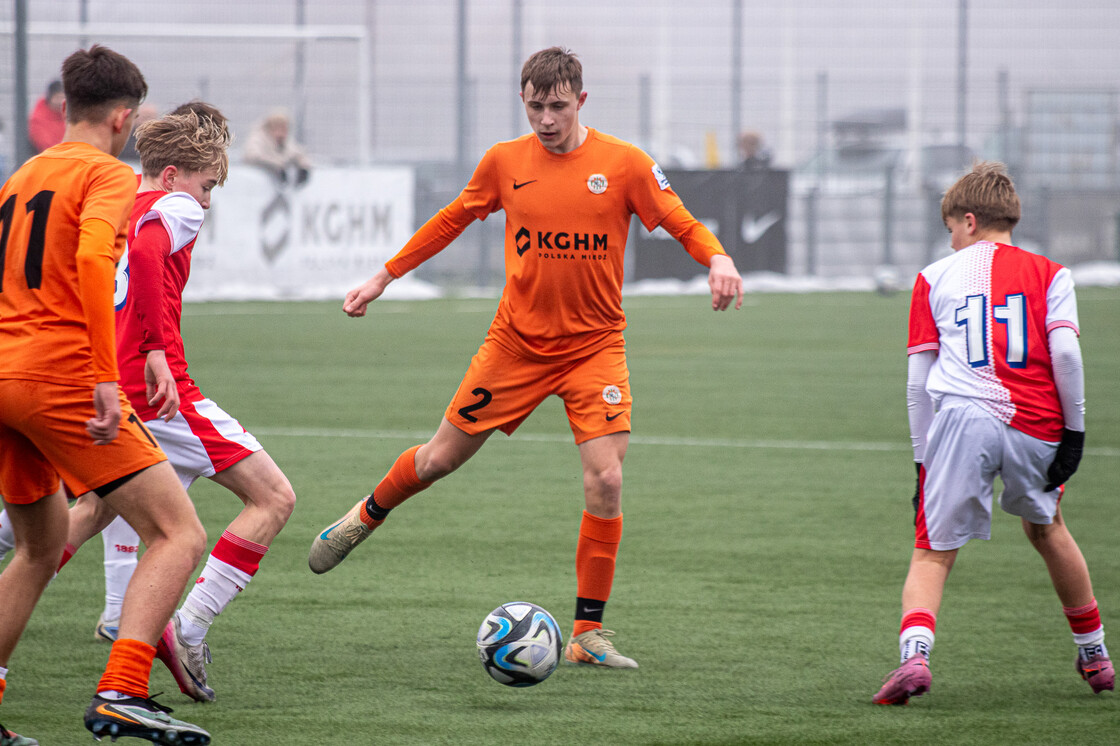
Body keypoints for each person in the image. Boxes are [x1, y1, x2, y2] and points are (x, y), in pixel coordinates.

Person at [309, 46, 744, 669]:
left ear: (581, 102)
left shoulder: (624, 164)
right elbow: (450, 220)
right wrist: (384, 276)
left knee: (608, 478)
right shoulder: (505, 162)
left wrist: (719, 258)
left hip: (595, 348)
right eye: (536, 106)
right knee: (437, 459)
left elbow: (680, 221)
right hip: (514, 347)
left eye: (558, 106)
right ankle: (365, 515)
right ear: (525, 102)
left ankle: (588, 635)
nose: (546, 119)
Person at [52, 102, 297, 704]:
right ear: (173, 175)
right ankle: (188, 628)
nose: (208, 201)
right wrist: (159, 347)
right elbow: (148, 256)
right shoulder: (175, 206)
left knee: (86, 515)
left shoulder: (121, 204)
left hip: (113, 386)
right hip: (164, 396)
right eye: (208, 184)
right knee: (272, 499)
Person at [0, 46, 211, 745]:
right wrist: (102, 376)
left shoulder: (24, 173)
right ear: (124, 118)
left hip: (4, 376)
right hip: (60, 376)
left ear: (67, 107)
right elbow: (96, 258)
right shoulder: (108, 174)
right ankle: (122, 690)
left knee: (39, 546)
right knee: (178, 533)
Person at [873, 161, 1113, 705]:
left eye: (952, 230)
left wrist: (922, 462)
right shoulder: (1052, 273)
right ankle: (1095, 653)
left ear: (971, 221)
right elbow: (1068, 353)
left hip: (962, 419)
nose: (952, 241)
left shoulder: (933, 277)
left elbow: (919, 381)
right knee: (1048, 528)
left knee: (933, 549)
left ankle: (914, 657)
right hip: (1037, 421)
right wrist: (1074, 434)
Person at [242, 109, 311, 185]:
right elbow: (254, 156)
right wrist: (276, 166)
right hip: (255, 183)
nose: (282, 132)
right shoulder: (258, 140)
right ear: (270, 127)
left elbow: (298, 154)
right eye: (279, 128)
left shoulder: (286, 142)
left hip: (275, 186)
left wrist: (304, 168)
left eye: (284, 128)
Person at [27, 80, 66, 154]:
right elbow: (45, 145)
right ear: (50, 98)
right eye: (57, 97)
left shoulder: (67, 117)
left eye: (63, 98)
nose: (60, 102)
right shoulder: (38, 119)